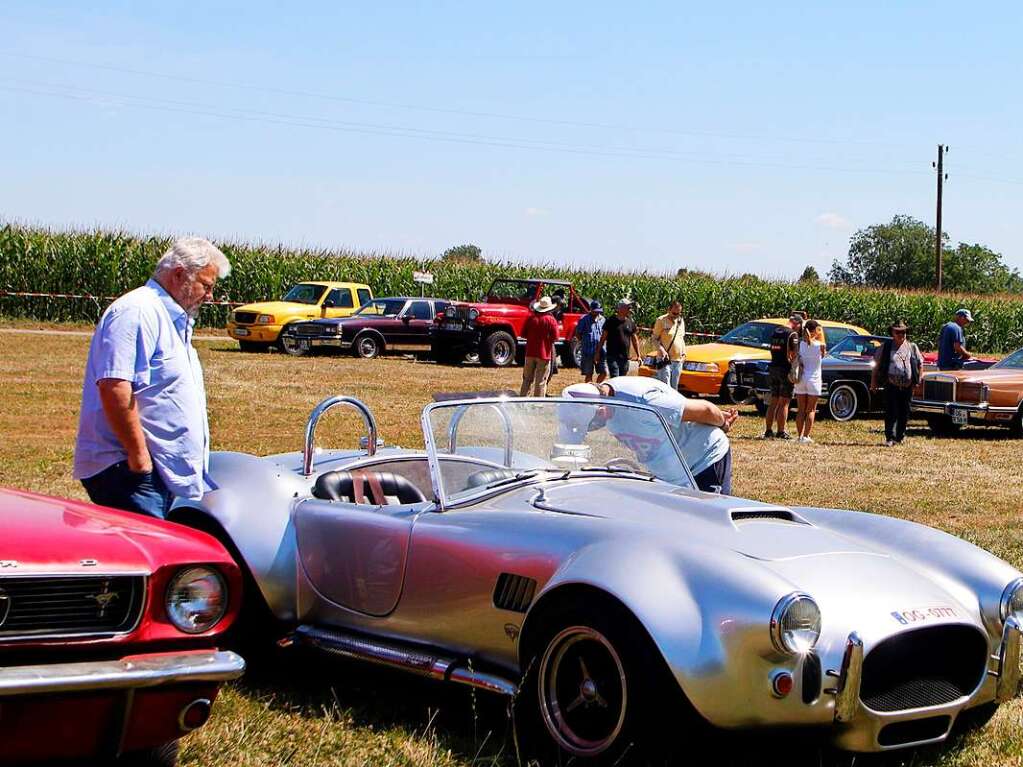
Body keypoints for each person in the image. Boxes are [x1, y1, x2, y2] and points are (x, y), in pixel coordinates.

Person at [72, 237, 231, 518]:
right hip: (129, 472)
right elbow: (114, 387)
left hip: (150, 472)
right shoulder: (137, 312)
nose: (209, 296)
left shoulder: (169, 318)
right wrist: (139, 458)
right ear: (179, 274)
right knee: (148, 559)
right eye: (206, 286)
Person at [563, 377, 739, 494]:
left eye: (591, 426)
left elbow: (705, 411)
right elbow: (569, 452)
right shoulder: (592, 400)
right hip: (670, 473)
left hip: (703, 458)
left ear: (601, 411)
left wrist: (724, 424)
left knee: (709, 522)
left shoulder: (646, 401)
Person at [871, 320, 924, 446]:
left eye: (903, 332)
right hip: (891, 384)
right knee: (891, 412)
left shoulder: (912, 347)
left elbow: (920, 364)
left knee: (904, 413)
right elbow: (876, 366)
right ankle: (890, 438)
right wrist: (873, 382)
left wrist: (918, 379)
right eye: (898, 332)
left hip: (907, 386)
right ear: (892, 333)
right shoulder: (886, 347)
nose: (901, 334)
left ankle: (900, 437)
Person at [763, 315, 802, 439]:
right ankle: (781, 431)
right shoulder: (792, 334)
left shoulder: (776, 331)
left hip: (773, 366)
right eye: (799, 326)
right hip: (785, 369)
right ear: (796, 323)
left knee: (773, 401)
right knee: (784, 402)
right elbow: (794, 353)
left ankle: (768, 431)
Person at [793, 319, 826, 443]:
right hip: (814, 379)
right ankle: (806, 436)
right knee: (811, 410)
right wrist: (819, 334)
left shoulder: (800, 344)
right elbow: (823, 354)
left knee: (800, 409)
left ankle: (799, 435)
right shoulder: (820, 345)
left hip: (801, 379)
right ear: (815, 330)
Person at [519, 295, 559, 397]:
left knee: (527, 379)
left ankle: (523, 400)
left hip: (530, 353)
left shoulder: (531, 318)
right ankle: (539, 403)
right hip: (544, 354)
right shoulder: (551, 320)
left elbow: (523, 334)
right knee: (541, 381)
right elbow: (555, 337)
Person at [596, 300, 640, 378]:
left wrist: (638, 355)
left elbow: (635, 340)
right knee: (615, 377)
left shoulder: (630, 322)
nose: (630, 309)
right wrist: (598, 352)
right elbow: (603, 338)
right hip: (612, 356)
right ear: (620, 308)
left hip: (625, 357)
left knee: (622, 379)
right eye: (628, 307)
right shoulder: (611, 321)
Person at [651, 300, 686, 390]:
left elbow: (681, 338)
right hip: (665, 359)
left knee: (674, 388)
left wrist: (684, 353)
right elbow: (654, 338)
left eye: (679, 313)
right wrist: (661, 350)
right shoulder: (661, 320)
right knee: (665, 387)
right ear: (668, 310)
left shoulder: (680, 321)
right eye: (674, 313)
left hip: (678, 360)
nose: (676, 315)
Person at [575, 300, 607, 383]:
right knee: (589, 374)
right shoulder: (584, 319)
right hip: (588, 351)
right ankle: (589, 390)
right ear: (591, 310)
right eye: (595, 311)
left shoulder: (602, 319)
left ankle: (597, 386)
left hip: (601, 351)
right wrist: (584, 342)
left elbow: (604, 334)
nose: (597, 313)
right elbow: (578, 333)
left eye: (599, 311)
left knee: (604, 372)